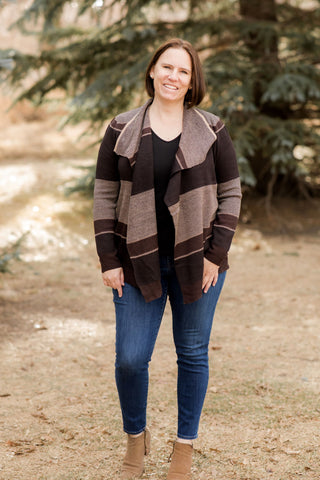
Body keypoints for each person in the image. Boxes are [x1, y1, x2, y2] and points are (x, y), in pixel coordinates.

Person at [93, 38, 241, 480]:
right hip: (137, 261)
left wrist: (216, 254)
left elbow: (231, 192)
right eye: (167, 67)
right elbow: (104, 194)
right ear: (153, 72)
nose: (174, 77)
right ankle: (136, 438)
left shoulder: (211, 129)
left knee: (192, 353)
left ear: (193, 81)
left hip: (198, 261)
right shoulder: (121, 128)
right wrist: (108, 259)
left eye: (183, 71)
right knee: (131, 359)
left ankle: (184, 448)